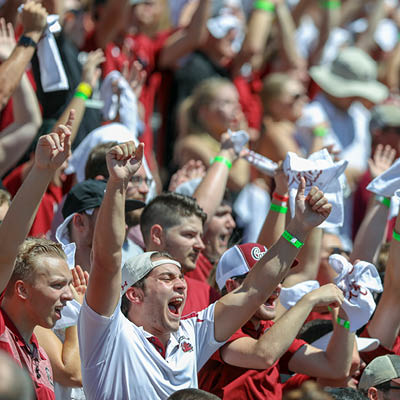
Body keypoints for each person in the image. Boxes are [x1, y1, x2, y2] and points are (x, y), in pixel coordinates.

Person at [78, 140, 333, 399]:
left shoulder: (190, 335)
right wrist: (117, 184)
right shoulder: (109, 335)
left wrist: (299, 229)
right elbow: (106, 261)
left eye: (180, 277)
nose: (181, 284)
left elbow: (254, 290)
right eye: (167, 278)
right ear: (134, 294)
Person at [198, 242, 354, 399]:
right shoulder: (216, 324)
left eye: (280, 277)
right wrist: (308, 301)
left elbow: (335, 367)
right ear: (232, 286)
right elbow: (263, 355)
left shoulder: (266, 329)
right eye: (266, 278)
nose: (277, 286)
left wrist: (345, 311)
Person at [0, 112, 75, 399]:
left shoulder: (41, 357)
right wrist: (42, 171)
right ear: (21, 289)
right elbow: (7, 249)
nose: (69, 296)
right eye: (57, 285)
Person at [139, 191, 219, 314]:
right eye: (189, 235)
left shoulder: (209, 296)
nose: (200, 245)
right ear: (157, 235)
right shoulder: (124, 289)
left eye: (200, 236)